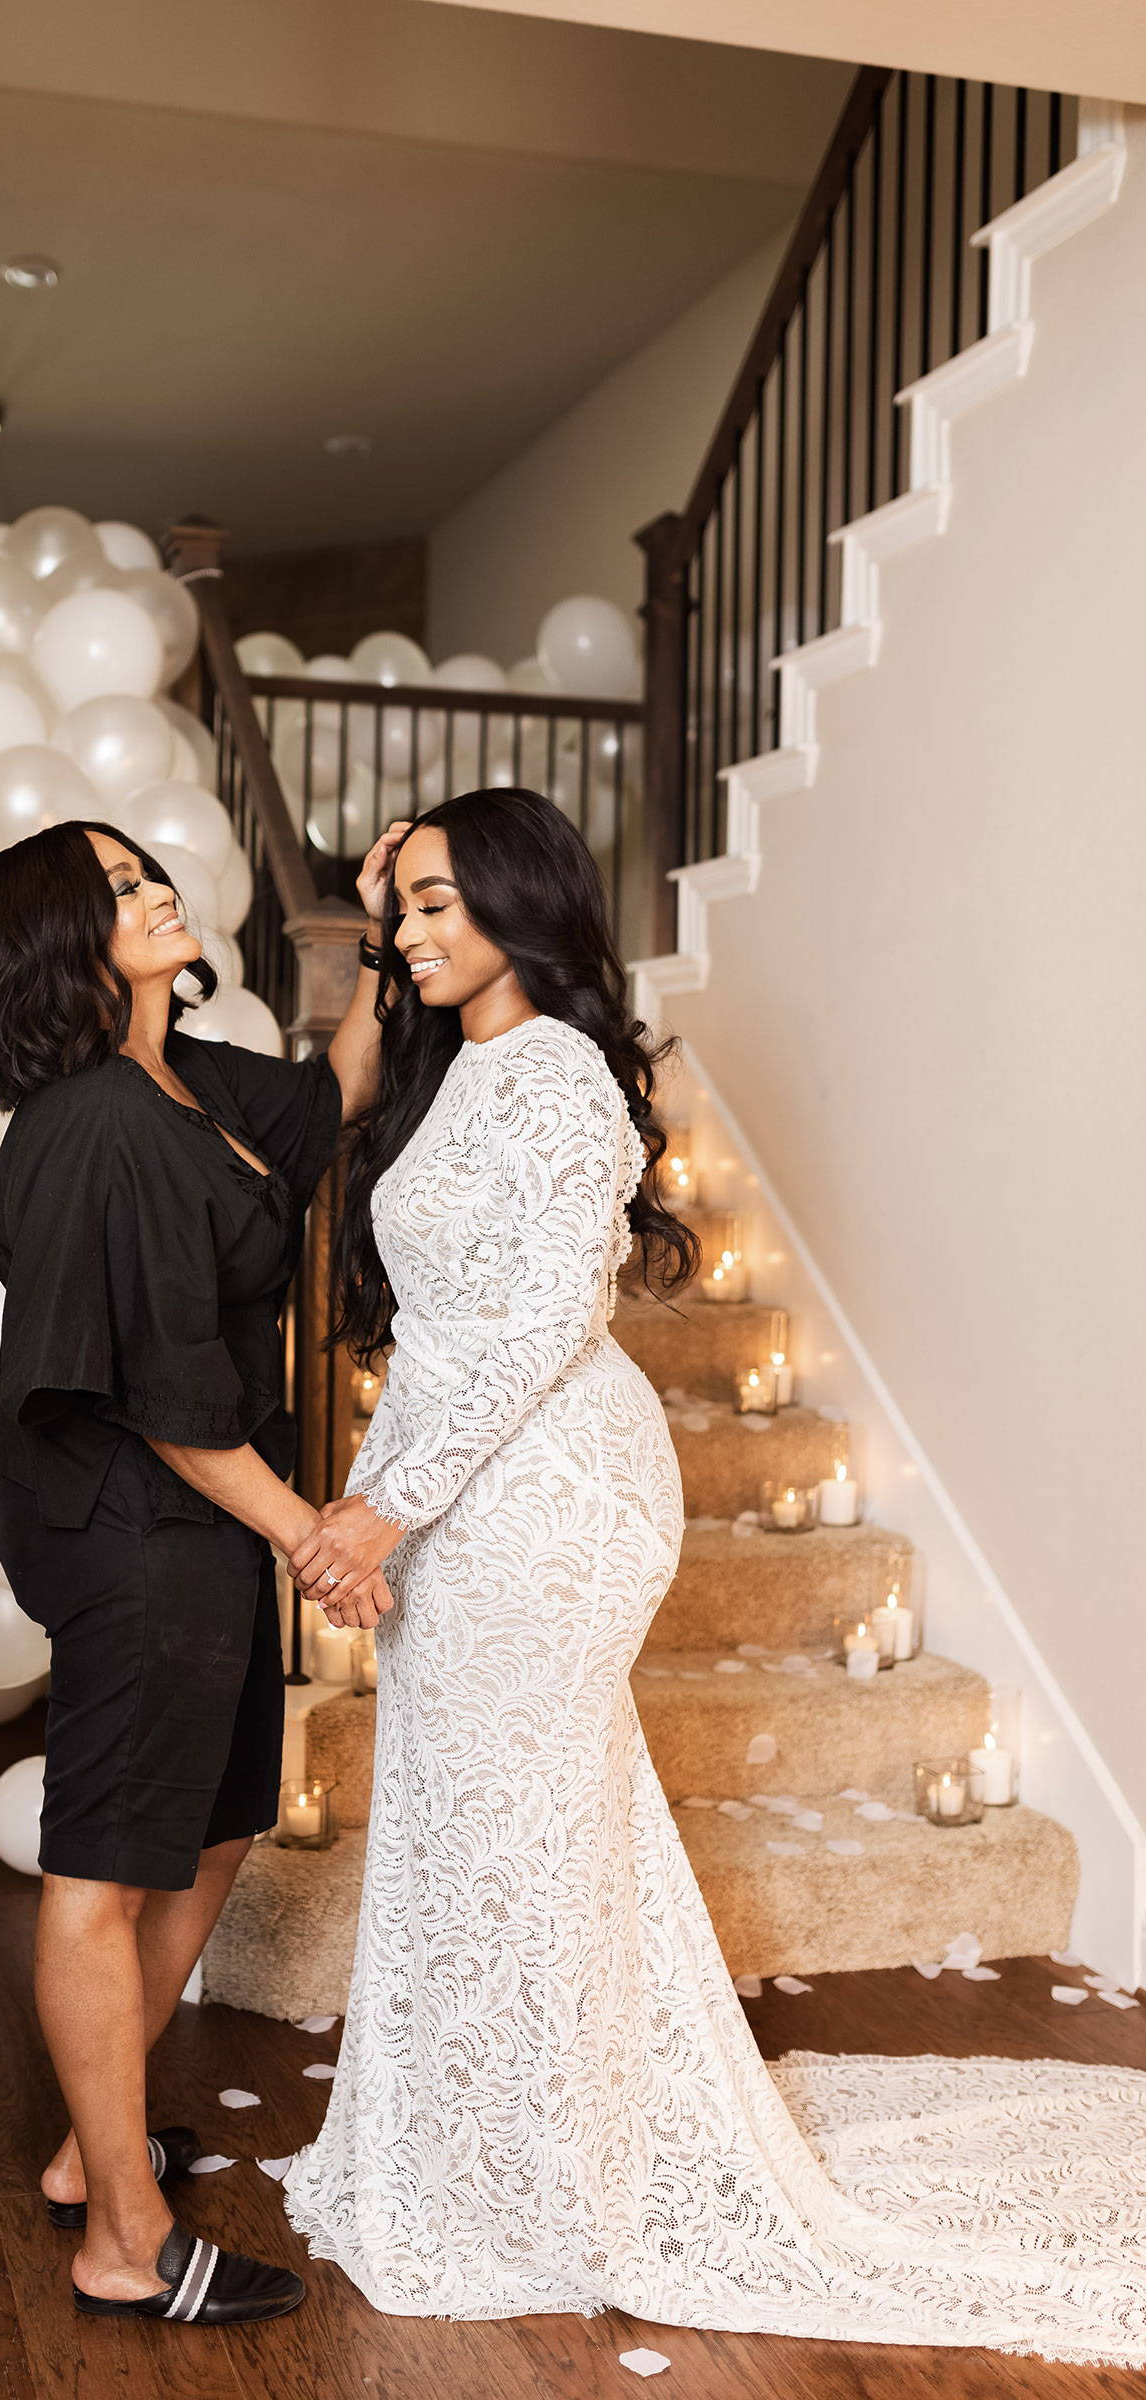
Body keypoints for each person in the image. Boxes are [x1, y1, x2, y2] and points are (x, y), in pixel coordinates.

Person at [283, 787, 1146, 2368]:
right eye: (397, 907)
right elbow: (441, 1330)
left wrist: (383, 1510)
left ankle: (537, 2190)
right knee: (477, 1823)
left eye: (437, 902)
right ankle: (479, 2155)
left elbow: (540, 1331)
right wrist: (381, 1491)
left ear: (523, 904)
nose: (409, 933)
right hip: (460, 1489)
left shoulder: (554, 1081)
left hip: (553, 1502)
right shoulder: (450, 1070)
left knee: (515, 1824)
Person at [0, 815, 401, 2330]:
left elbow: (336, 1095)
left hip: (202, 1506)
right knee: (107, 1858)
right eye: (114, 889)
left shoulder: (193, 1080)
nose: (153, 893)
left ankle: (98, 2140)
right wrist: (312, 1536)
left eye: (147, 873)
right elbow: (158, 1394)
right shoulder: (93, 1121)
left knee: (211, 1832)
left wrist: (390, 930)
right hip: (129, 1513)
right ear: (55, 945)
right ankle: (123, 2240)